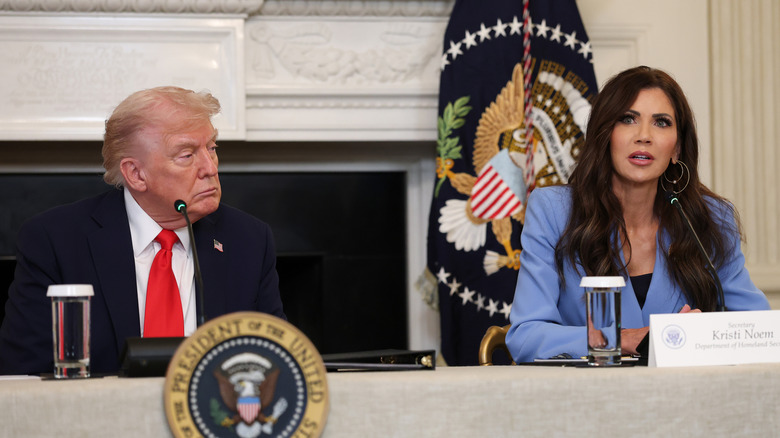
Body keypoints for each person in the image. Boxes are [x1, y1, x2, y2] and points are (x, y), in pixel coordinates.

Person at [0, 86, 285, 375]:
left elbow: (275, 361)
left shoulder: (248, 239)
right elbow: (23, 376)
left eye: (212, 148)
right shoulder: (56, 241)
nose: (210, 167)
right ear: (136, 174)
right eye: (187, 155)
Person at [506, 66, 770, 363]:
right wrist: (619, 339)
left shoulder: (710, 219)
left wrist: (701, 334)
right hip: (587, 399)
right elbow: (525, 336)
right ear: (606, 134)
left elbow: (757, 328)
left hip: (685, 400)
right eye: (628, 119)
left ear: (677, 149)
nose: (644, 136)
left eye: (661, 123)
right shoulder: (554, 211)